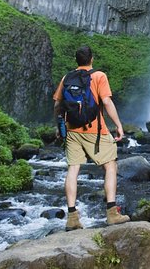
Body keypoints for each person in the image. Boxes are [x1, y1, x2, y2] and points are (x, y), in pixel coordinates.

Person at [53, 45, 130, 230]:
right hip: (96, 131)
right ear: (92, 59)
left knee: (73, 169)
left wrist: (59, 126)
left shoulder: (67, 78)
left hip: (72, 131)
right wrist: (118, 125)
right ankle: (112, 213)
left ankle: (72, 217)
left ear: (76, 60)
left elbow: (57, 104)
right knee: (110, 165)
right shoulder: (99, 76)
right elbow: (106, 101)